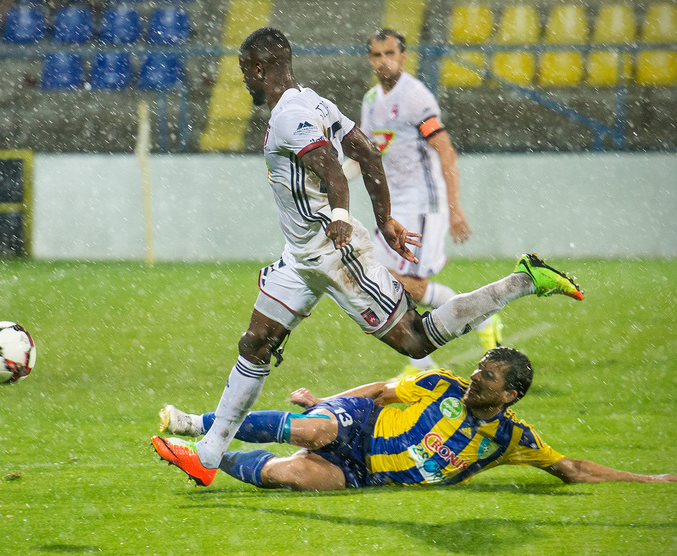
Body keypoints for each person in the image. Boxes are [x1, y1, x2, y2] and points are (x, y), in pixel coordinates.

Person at [151, 27, 583, 487]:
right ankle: (209, 454)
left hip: (332, 251)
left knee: (415, 340)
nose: (243, 81)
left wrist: (342, 215)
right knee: (255, 344)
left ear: (259, 68)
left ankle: (523, 280)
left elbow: (335, 170)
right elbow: (368, 152)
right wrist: (385, 219)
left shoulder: (290, 116)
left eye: (244, 71)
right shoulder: (315, 103)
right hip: (299, 257)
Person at [154, 347, 677, 490]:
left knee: (289, 475)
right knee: (314, 429)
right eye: (478, 368)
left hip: (366, 474)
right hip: (361, 423)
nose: (475, 377)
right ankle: (195, 425)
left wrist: (647, 479)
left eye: (487, 377)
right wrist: (323, 402)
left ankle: (208, 461)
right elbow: (381, 391)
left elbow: (572, 469)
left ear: (510, 395)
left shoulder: (510, 439)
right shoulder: (443, 384)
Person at [352, 28, 500, 373]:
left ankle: (427, 363)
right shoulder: (371, 101)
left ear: (403, 57)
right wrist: (328, 181)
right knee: (373, 277)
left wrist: (454, 209)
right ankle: (474, 324)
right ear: (370, 59)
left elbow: (445, 150)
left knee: (402, 286)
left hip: (422, 204)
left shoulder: (415, 96)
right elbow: (364, 156)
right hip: (394, 207)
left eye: (390, 53)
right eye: (377, 55)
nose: (384, 61)